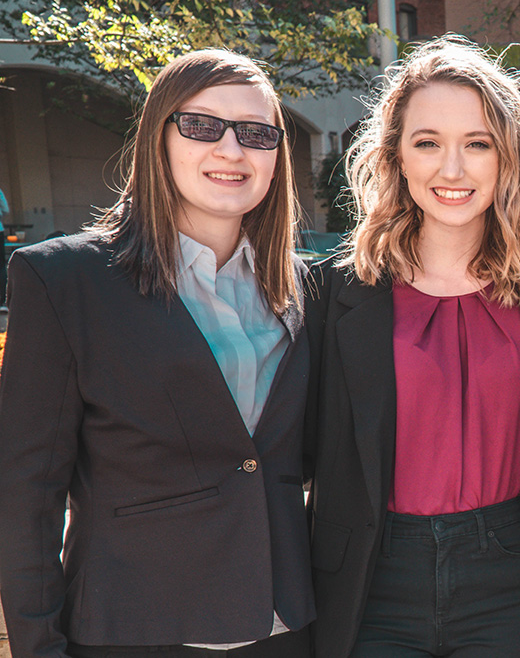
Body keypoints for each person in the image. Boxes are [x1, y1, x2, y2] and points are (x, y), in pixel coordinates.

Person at [0, 49, 313, 657]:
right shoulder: (64, 280)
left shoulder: (309, 290)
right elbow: (27, 493)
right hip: (133, 629)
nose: (231, 150)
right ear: (158, 137)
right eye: (201, 125)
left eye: (256, 134)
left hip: (283, 628)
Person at [303, 36, 520, 658]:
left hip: (515, 576)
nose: (452, 169)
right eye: (427, 143)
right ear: (397, 158)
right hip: (373, 576)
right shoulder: (334, 295)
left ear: (509, 157)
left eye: (477, 144)